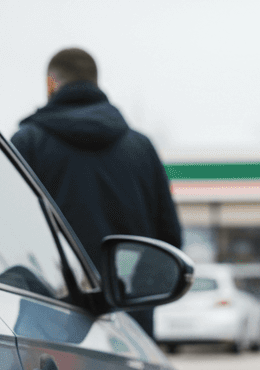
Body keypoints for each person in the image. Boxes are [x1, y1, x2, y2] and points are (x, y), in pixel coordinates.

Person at [11, 47, 182, 337]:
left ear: (51, 83)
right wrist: (134, 296)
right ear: (95, 81)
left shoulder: (27, 144)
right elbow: (169, 240)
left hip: (47, 321)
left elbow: (7, 235)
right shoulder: (141, 148)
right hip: (128, 326)